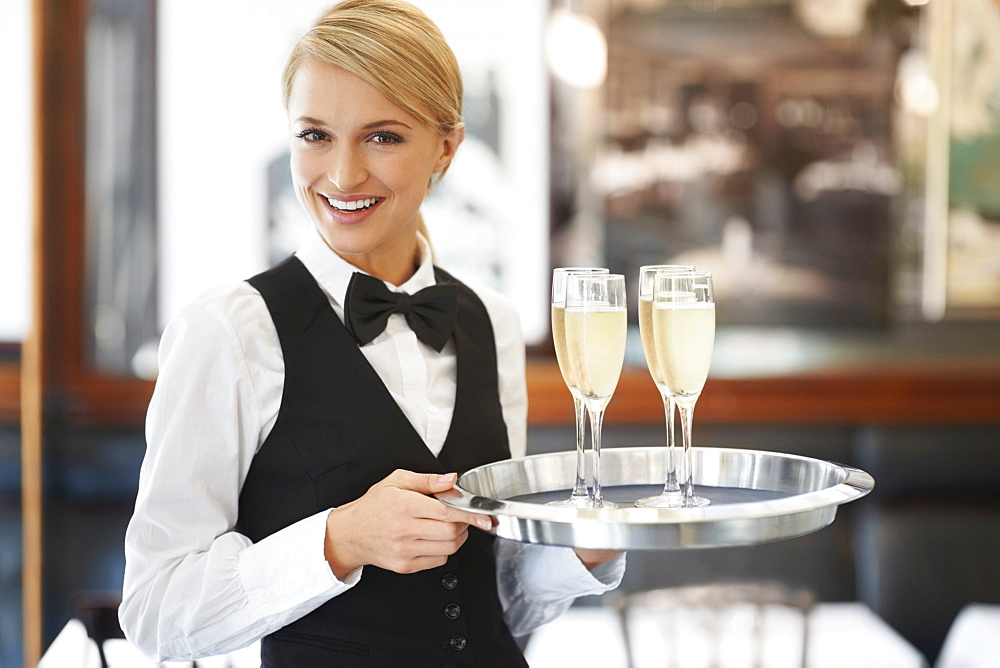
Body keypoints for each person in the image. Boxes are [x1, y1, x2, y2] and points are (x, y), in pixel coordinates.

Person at [118, 1, 625, 665]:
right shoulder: (229, 332)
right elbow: (154, 610)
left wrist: (585, 554)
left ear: (447, 146)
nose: (342, 175)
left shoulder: (493, 323)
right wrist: (339, 541)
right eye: (315, 135)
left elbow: (491, 600)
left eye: (382, 136)